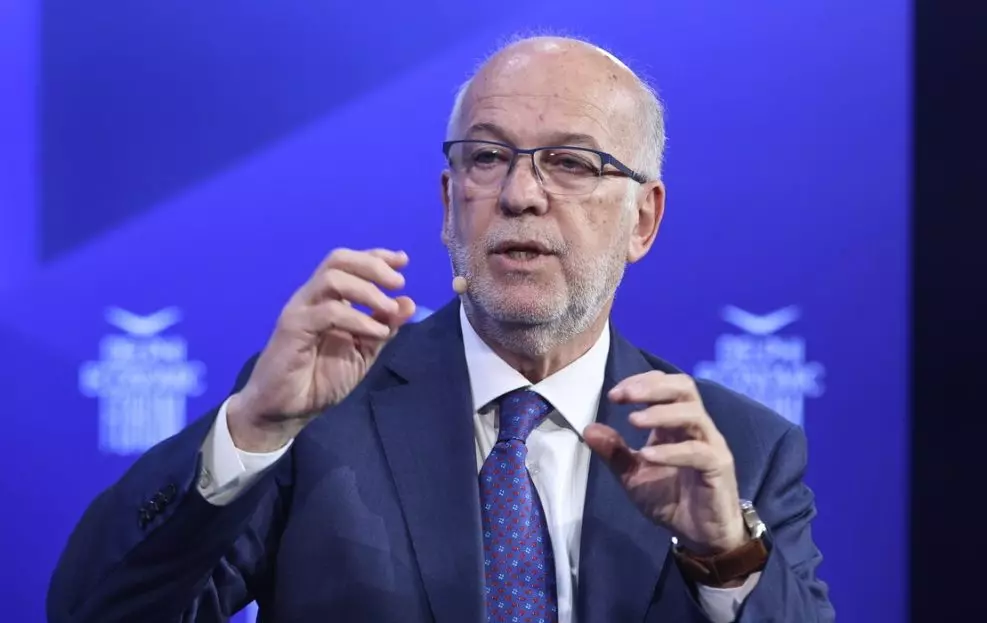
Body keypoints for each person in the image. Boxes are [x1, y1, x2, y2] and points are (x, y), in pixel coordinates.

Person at [47, 36, 833, 623]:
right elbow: (95, 611)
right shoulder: (322, 415)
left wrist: (725, 555)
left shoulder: (739, 452)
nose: (520, 194)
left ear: (644, 219)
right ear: (450, 203)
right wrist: (252, 425)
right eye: (487, 157)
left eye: (570, 162)